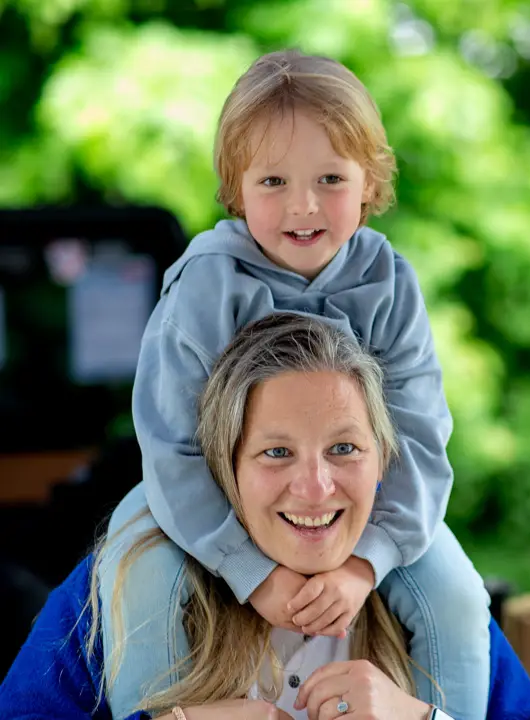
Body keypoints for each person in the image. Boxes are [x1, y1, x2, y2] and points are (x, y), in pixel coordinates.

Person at [97, 50, 491, 720]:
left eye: (330, 178)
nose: (302, 206)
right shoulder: (206, 284)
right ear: (236, 187)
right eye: (273, 181)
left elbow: (420, 441)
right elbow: (171, 447)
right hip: (194, 491)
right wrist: (253, 574)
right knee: (140, 577)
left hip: (358, 501)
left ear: (369, 182)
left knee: (455, 593)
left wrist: (364, 565)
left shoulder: (392, 284)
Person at [0, 313, 530, 720]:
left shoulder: (428, 602)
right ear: (225, 469)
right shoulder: (119, 589)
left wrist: (423, 719)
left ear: (383, 460)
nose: (315, 488)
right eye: (276, 453)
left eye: (344, 449)